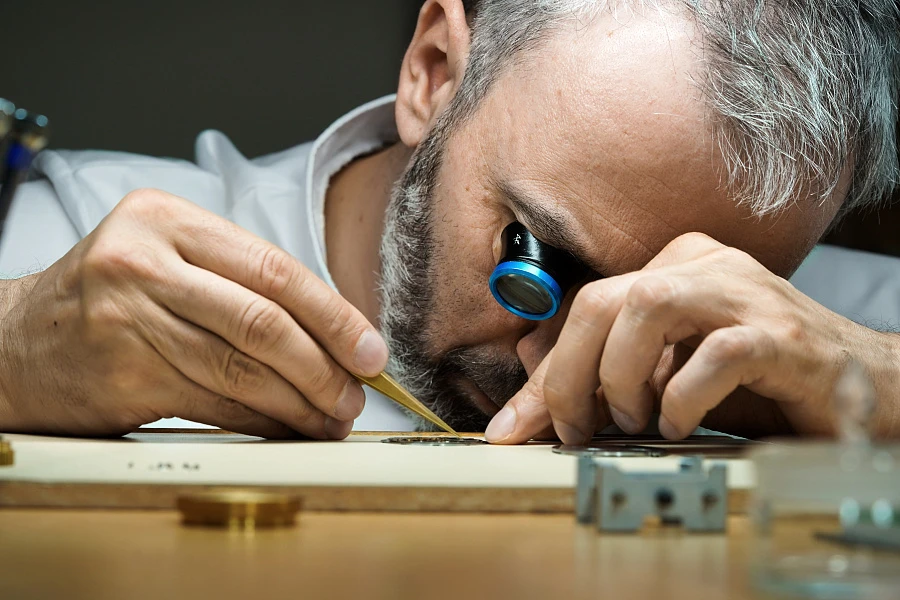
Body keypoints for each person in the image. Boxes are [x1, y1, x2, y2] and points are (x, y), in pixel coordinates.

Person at [0, 0, 897, 443]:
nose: (564, 364)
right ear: (433, 72)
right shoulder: (56, 244)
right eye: (538, 257)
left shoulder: (826, 337)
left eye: (665, 313)